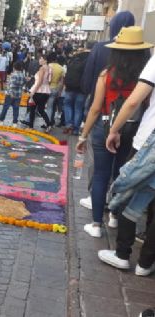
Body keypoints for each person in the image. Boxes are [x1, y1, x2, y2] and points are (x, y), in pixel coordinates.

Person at [76, 26, 151, 239]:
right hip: (132, 129)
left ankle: (97, 224)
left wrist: (83, 135)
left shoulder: (107, 75)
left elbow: (95, 108)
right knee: (121, 173)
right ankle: (115, 216)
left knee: (101, 175)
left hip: (105, 126)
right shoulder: (144, 77)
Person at [91, 29, 155, 276]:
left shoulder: (111, 73)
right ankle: (146, 262)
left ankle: (122, 253)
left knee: (131, 192)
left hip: (147, 139)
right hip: (141, 134)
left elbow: (132, 102)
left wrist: (113, 129)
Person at [62, 41, 91, 135]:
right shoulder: (91, 58)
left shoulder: (75, 56)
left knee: (67, 105)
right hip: (82, 88)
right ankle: (75, 129)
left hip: (70, 86)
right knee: (78, 108)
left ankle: (69, 124)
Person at [0, 61, 25, 127]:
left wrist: (10, 92)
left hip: (10, 94)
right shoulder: (22, 75)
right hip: (18, 94)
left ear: (14, 67)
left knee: (5, 107)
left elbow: (11, 85)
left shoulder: (13, 75)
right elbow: (23, 84)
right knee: (16, 108)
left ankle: (1, 121)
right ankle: (15, 123)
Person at [27, 54, 53, 131]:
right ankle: (48, 124)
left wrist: (33, 91)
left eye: (41, 59)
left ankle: (31, 126)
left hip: (38, 91)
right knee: (41, 110)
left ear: (45, 60)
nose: (39, 60)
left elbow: (40, 81)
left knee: (32, 109)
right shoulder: (50, 68)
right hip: (46, 91)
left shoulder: (42, 68)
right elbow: (49, 80)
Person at [45, 53, 64, 130]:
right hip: (55, 88)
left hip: (46, 88)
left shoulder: (48, 66)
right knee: (51, 106)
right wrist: (59, 91)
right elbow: (61, 81)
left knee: (47, 107)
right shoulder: (61, 68)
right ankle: (50, 122)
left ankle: (48, 123)